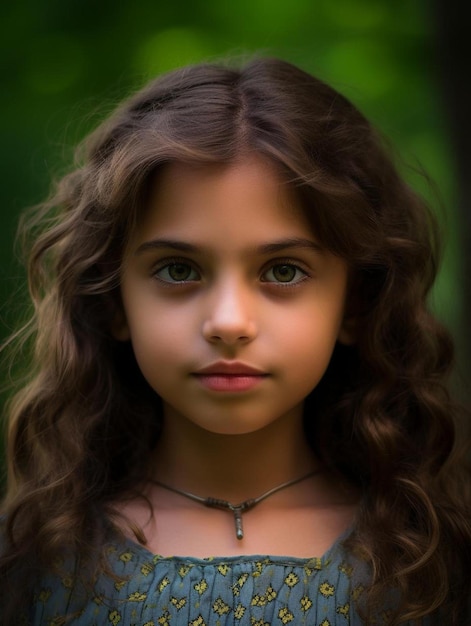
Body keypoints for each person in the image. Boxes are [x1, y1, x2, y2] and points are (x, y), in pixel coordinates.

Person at [0, 57, 469, 626]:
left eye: (283, 271)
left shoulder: (431, 558)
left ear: (356, 302)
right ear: (113, 300)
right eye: (178, 270)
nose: (228, 321)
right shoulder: (36, 562)